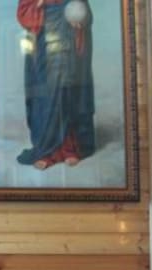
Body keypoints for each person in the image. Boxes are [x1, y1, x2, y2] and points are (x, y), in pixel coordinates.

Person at [15, 0, 96, 170]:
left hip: (67, 33)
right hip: (43, 37)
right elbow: (24, 11)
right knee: (46, 94)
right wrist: (39, 3)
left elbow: (83, 9)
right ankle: (46, 151)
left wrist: (79, 18)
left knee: (66, 91)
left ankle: (69, 148)